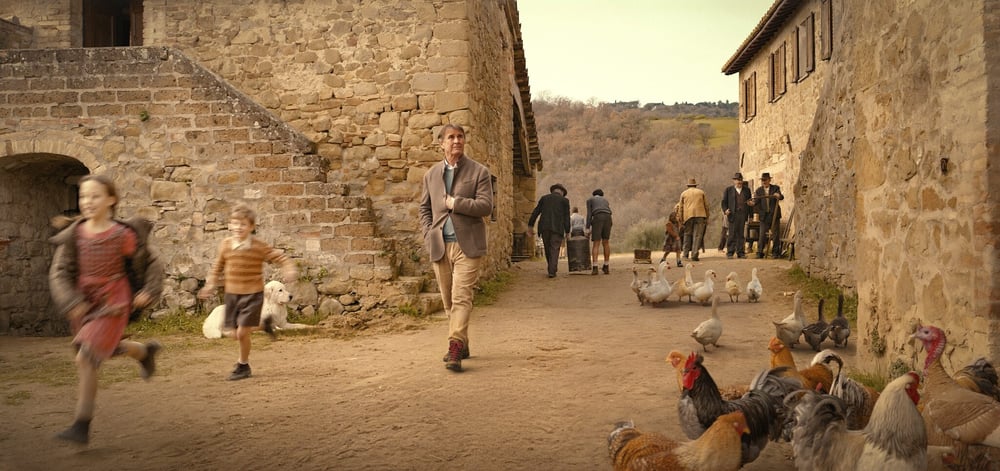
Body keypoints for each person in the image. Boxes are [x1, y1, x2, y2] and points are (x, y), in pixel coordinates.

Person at [48, 174, 164, 445]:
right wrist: (70, 301)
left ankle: (81, 424)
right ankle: (144, 352)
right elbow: (59, 272)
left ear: (111, 199)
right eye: (83, 196)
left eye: (95, 196)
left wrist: (149, 290)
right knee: (104, 350)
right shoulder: (75, 235)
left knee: (86, 356)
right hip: (84, 302)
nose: (87, 201)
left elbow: (152, 262)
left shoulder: (124, 234)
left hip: (114, 301)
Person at [419, 124, 494, 372]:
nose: (456, 141)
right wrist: (428, 233)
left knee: (461, 297)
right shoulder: (431, 175)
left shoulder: (479, 172)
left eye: (460, 137)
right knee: (448, 301)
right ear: (441, 143)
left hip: (468, 245)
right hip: (440, 245)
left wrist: (456, 203)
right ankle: (463, 343)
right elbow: (424, 208)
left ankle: (454, 347)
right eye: (451, 137)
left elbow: (486, 206)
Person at [198, 203, 298, 381]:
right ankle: (263, 325)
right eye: (235, 223)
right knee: (232, 334)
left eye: (243, 224)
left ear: (251, 227)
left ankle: (243, 365)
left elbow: (279, 257)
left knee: (242, 333)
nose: (238, 227)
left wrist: (289, 268)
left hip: (252, 295)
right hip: (232, 296)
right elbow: (217, 267)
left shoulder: (258, 246)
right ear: (230, 225)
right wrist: (210, 284)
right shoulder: (226, 245)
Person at [527, 184, 571, 278]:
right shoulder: (564, 201)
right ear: (562, 192)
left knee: (547, 248)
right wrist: (567, 231)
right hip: (558, 228)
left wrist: (530, 225)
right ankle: (552, 270)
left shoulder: (544, 198)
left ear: (553, 190)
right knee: (554, 248)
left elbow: (536, 212)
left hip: (544, 227)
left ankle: (551, 268)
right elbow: (567, 217)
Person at [749, 172, 784, 258]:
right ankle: (760, 252)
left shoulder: (775, 188)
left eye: (765, 180)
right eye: (762, 180)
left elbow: (781, 197)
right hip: (764, 216)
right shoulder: (759, 190)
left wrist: (778, 195)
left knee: (775, 235)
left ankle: (775, 252)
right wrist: (752, 203)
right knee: (762, 235)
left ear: (769, 180)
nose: (764, 182)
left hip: (774, 215)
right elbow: (756, 202)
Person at [721, 172, 753, 259]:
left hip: (743, 214)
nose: (739, 182)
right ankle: (730, 252)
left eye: (740, 180)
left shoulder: (747, 190)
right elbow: (723, 202)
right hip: (732, 214)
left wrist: (751, 216)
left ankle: (740, 252)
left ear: (742, 181)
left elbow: (750, 203)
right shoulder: (728, 190)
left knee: (741, 234)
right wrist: (725, 210)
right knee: (732, 234)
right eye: (737, 180)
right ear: (734, 181)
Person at [677, 178, 709, 262]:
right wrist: (707, 217)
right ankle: (694, 255)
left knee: (687, 235)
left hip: (688, 216)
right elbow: (706, 206)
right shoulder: (701, 192)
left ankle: (685, 255)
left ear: (688, 186)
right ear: (695, 185)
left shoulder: (684, 193)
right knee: (697, 236)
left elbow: (680, 207)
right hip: (700, 215)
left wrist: (681, 219)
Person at [585, 188, 613, 275]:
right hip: (608, 217)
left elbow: (589, 214)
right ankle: (606, 266)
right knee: (606, 242)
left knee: (596, 243)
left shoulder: (590, 200)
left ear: (594, 195)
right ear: (601, 195)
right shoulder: (605, 200)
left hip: (598, 217)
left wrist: (587, 228)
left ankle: (595, 267)